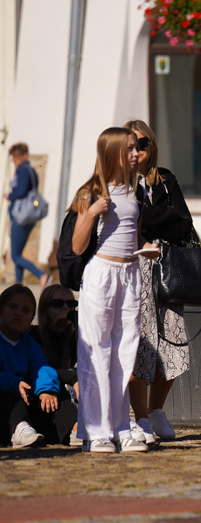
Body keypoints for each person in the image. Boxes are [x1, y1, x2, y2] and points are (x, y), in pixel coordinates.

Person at [72, 127, 157, 453]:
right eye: (131, 149)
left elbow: (132, 236)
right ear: (113, 153)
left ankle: (121, 426)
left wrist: (146, 247)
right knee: (97, 351)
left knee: (125, 352)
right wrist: (92, 213)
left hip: (130, 274)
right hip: (102, 275)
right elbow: (78, 246)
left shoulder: (135, 189)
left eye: (137, 148)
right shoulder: (92, 191)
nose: (137, 154)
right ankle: (95, 430)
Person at [124, 119, 195, 444]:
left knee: (172, 341)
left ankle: (156, 410)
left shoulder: (164, 179)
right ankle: (139, 416)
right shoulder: (119, 182)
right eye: (131, 145)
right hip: (135, 271)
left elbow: (185, 223)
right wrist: (160, 218)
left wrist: (151, 221)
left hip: (167, 272)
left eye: (143, 144)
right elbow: (134, 222)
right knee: (141, 343)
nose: (137, 151)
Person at [0, 285, 73, 448]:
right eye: (12, 307)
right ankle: (20, 429)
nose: (19, 313)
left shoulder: (28, 343)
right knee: (11, 396)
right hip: (5, 405)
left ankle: (74, 430)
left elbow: (41, 367)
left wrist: (46, 390)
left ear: (32, 316)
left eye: (25, 310)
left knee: (55, 392)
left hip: (25, 399)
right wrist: (14, 383)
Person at [29, 284, 81, 445]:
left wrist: (77, 321)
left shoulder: (72, 339)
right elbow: (43, 369)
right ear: (45, 308)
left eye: (71, 305)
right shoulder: (32, 335)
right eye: (58, 303)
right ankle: (77, 428)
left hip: (61, 399)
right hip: (38, 394)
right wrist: (73, 378)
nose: (65, 308)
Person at [6, 143, 50, 287]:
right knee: (18, 252)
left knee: (15, 255)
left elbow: (22, 191)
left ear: (24, 156)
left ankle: (41, 275)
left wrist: (10, 196)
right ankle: (18, 284)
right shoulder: (31, 170)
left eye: (16, 157)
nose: (14, 160)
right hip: (28, 217)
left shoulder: (23, 170)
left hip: (21, 217)